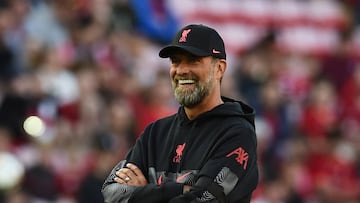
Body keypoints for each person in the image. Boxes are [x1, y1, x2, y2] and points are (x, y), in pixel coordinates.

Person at [102, 24, 259, 203]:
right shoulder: (155, 133)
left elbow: (205, 198)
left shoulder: (237, 134)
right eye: (176, 61)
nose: (182, 70)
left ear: (220, 69)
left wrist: (144, 192)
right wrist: (182, 189)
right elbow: (110, 193)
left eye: (193, 61)